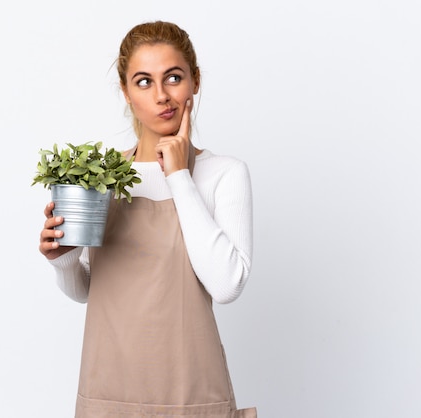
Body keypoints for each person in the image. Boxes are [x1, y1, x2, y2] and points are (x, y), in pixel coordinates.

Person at [39, 21, 257, 418]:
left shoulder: (225, 173)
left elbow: (227, 285)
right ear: (125, 91)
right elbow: (88, 289)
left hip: (192, 391)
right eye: (143, 82)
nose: (162, 96)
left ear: (195, 82)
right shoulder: (98, 178)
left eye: (173, 77)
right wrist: (64, 259)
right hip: (109, 390)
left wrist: (178, 177)